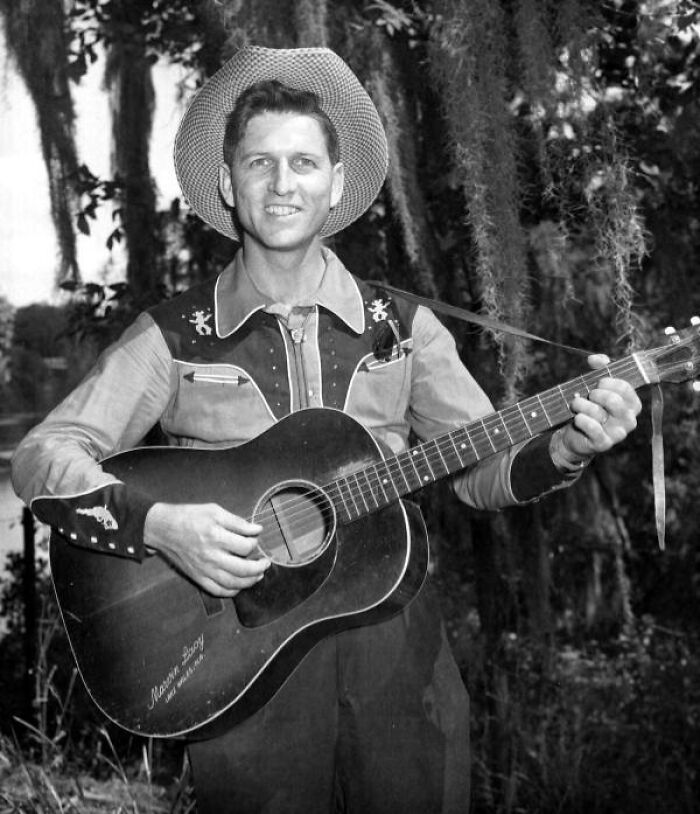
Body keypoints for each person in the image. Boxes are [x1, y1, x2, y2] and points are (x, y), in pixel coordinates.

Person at [12, 46, 641, 813]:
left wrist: (569, 446)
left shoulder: (405, 327)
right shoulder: (173, 335)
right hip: (238, 669)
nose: (283, 185)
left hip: (400, 662)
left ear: (335, 185)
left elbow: (482, 469)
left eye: (304, 163)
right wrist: (162, 525)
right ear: (227, 185)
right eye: (260, 163)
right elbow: (45, 456)